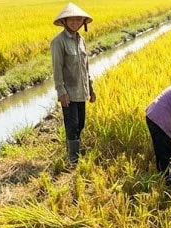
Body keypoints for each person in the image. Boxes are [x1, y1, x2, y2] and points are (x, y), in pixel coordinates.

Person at [50, 3, 96, 166]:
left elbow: (86, 66)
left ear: (83, 21)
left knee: (80, 123)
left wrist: (91, 88)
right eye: (72, 20)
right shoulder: (58, 42)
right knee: (72, 124)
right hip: (68, 92)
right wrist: (61, 92)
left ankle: (73, 152)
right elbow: (57, 68)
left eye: (78, 20)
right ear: (64, 21)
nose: (75, 23)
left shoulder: (81, 40)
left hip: (81, 90)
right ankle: (73, 160)